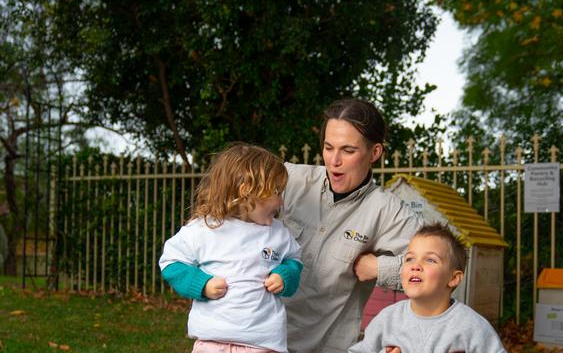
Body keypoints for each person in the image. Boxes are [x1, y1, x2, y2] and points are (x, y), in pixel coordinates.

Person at [163, 98, 424, 352]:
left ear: (375, 152)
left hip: (324, 344)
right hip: (252, 339)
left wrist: (379, 267)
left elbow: (443, 266)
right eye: (328, 147)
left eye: (348, 150)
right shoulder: (287, 179)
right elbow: (231, 204)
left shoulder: (388, 211)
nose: (334, 160)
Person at [159, 143, 302, 353]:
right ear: (246, 192)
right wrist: (202, 284)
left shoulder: (278, 233)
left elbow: (294, 260)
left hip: (263, 344)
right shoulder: (204, 228)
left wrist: (285, 275)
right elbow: (170, 262)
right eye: (276, 192)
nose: (281, 201)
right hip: (211, 343)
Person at [348, 223, 506, 353]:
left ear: (453, 278)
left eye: (430, 260)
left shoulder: (472, 327)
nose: (415, 266)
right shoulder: (387, 319)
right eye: (409, 258)